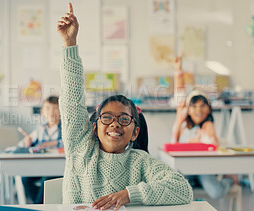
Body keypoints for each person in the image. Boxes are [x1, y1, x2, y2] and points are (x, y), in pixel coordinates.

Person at [57, 3, 193, 210]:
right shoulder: (80, 148)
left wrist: (130, 194)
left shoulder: (140, 161)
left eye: (123, 119)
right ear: (95, 126)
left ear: (135, 132)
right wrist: (70, 44)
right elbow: (71, 99)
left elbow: (183, 190)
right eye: (107, 118)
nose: (114, 124)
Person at [171, 55, 238, 199]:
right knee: (178, 190)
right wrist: (178, 71)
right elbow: (180, 93)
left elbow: (214, 147)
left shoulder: (208, 126)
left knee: (216, 192)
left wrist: (210, 136)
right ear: (188, 109)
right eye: (194, 106)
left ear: (209, 109)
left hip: (203, 169)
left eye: (203, 106)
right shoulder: (182, 122)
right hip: (183, 169)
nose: (198, 110)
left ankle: (229, 179)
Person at [18, 96, 63, 204]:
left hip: (59, 168)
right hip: (42, 167)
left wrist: (54, 143)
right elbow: (24, 145)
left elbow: (70, 143)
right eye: (47, 108)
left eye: (55, 108)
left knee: (46, 181)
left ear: (61, 111)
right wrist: (27, 142)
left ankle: (38, 207)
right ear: (42, 112)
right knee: (25, 179)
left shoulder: (65, 128)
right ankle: (38, 205)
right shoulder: (40, 129)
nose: (51, 112)